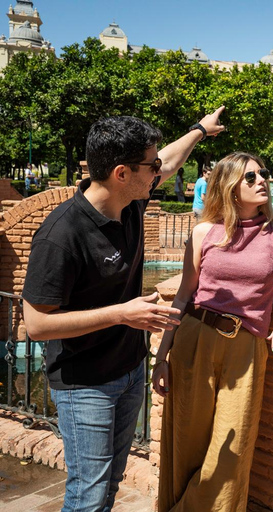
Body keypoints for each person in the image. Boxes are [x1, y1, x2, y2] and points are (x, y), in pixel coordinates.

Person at [21, 108, 226, 512]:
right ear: (121, 173)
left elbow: (168, 158)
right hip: (85, 385)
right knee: (89, 494)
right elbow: (36, 324)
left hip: (129, 372)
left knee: (110, 484)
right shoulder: (61, 235)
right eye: (150, 167)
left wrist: (199, 131)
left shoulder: (129, 202)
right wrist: (121, 313)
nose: (159, 172)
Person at [152, 152, 273, 511]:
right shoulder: (204, 232)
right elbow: (184, 296)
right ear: (231, 188)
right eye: (250, 178)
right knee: (186, 445)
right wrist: (161, 358)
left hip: (245, 350)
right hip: (194, 340)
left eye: (263, 174)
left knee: (230, 453)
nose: (261, 181)